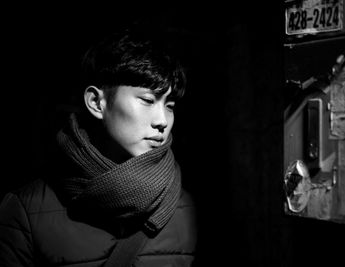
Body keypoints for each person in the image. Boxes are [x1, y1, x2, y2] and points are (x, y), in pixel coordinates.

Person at [0, 26, 197, 266]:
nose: (162, 121)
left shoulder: (185, 206)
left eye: (170, 106)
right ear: (96, 102)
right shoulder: (24, 211)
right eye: (147, 100)